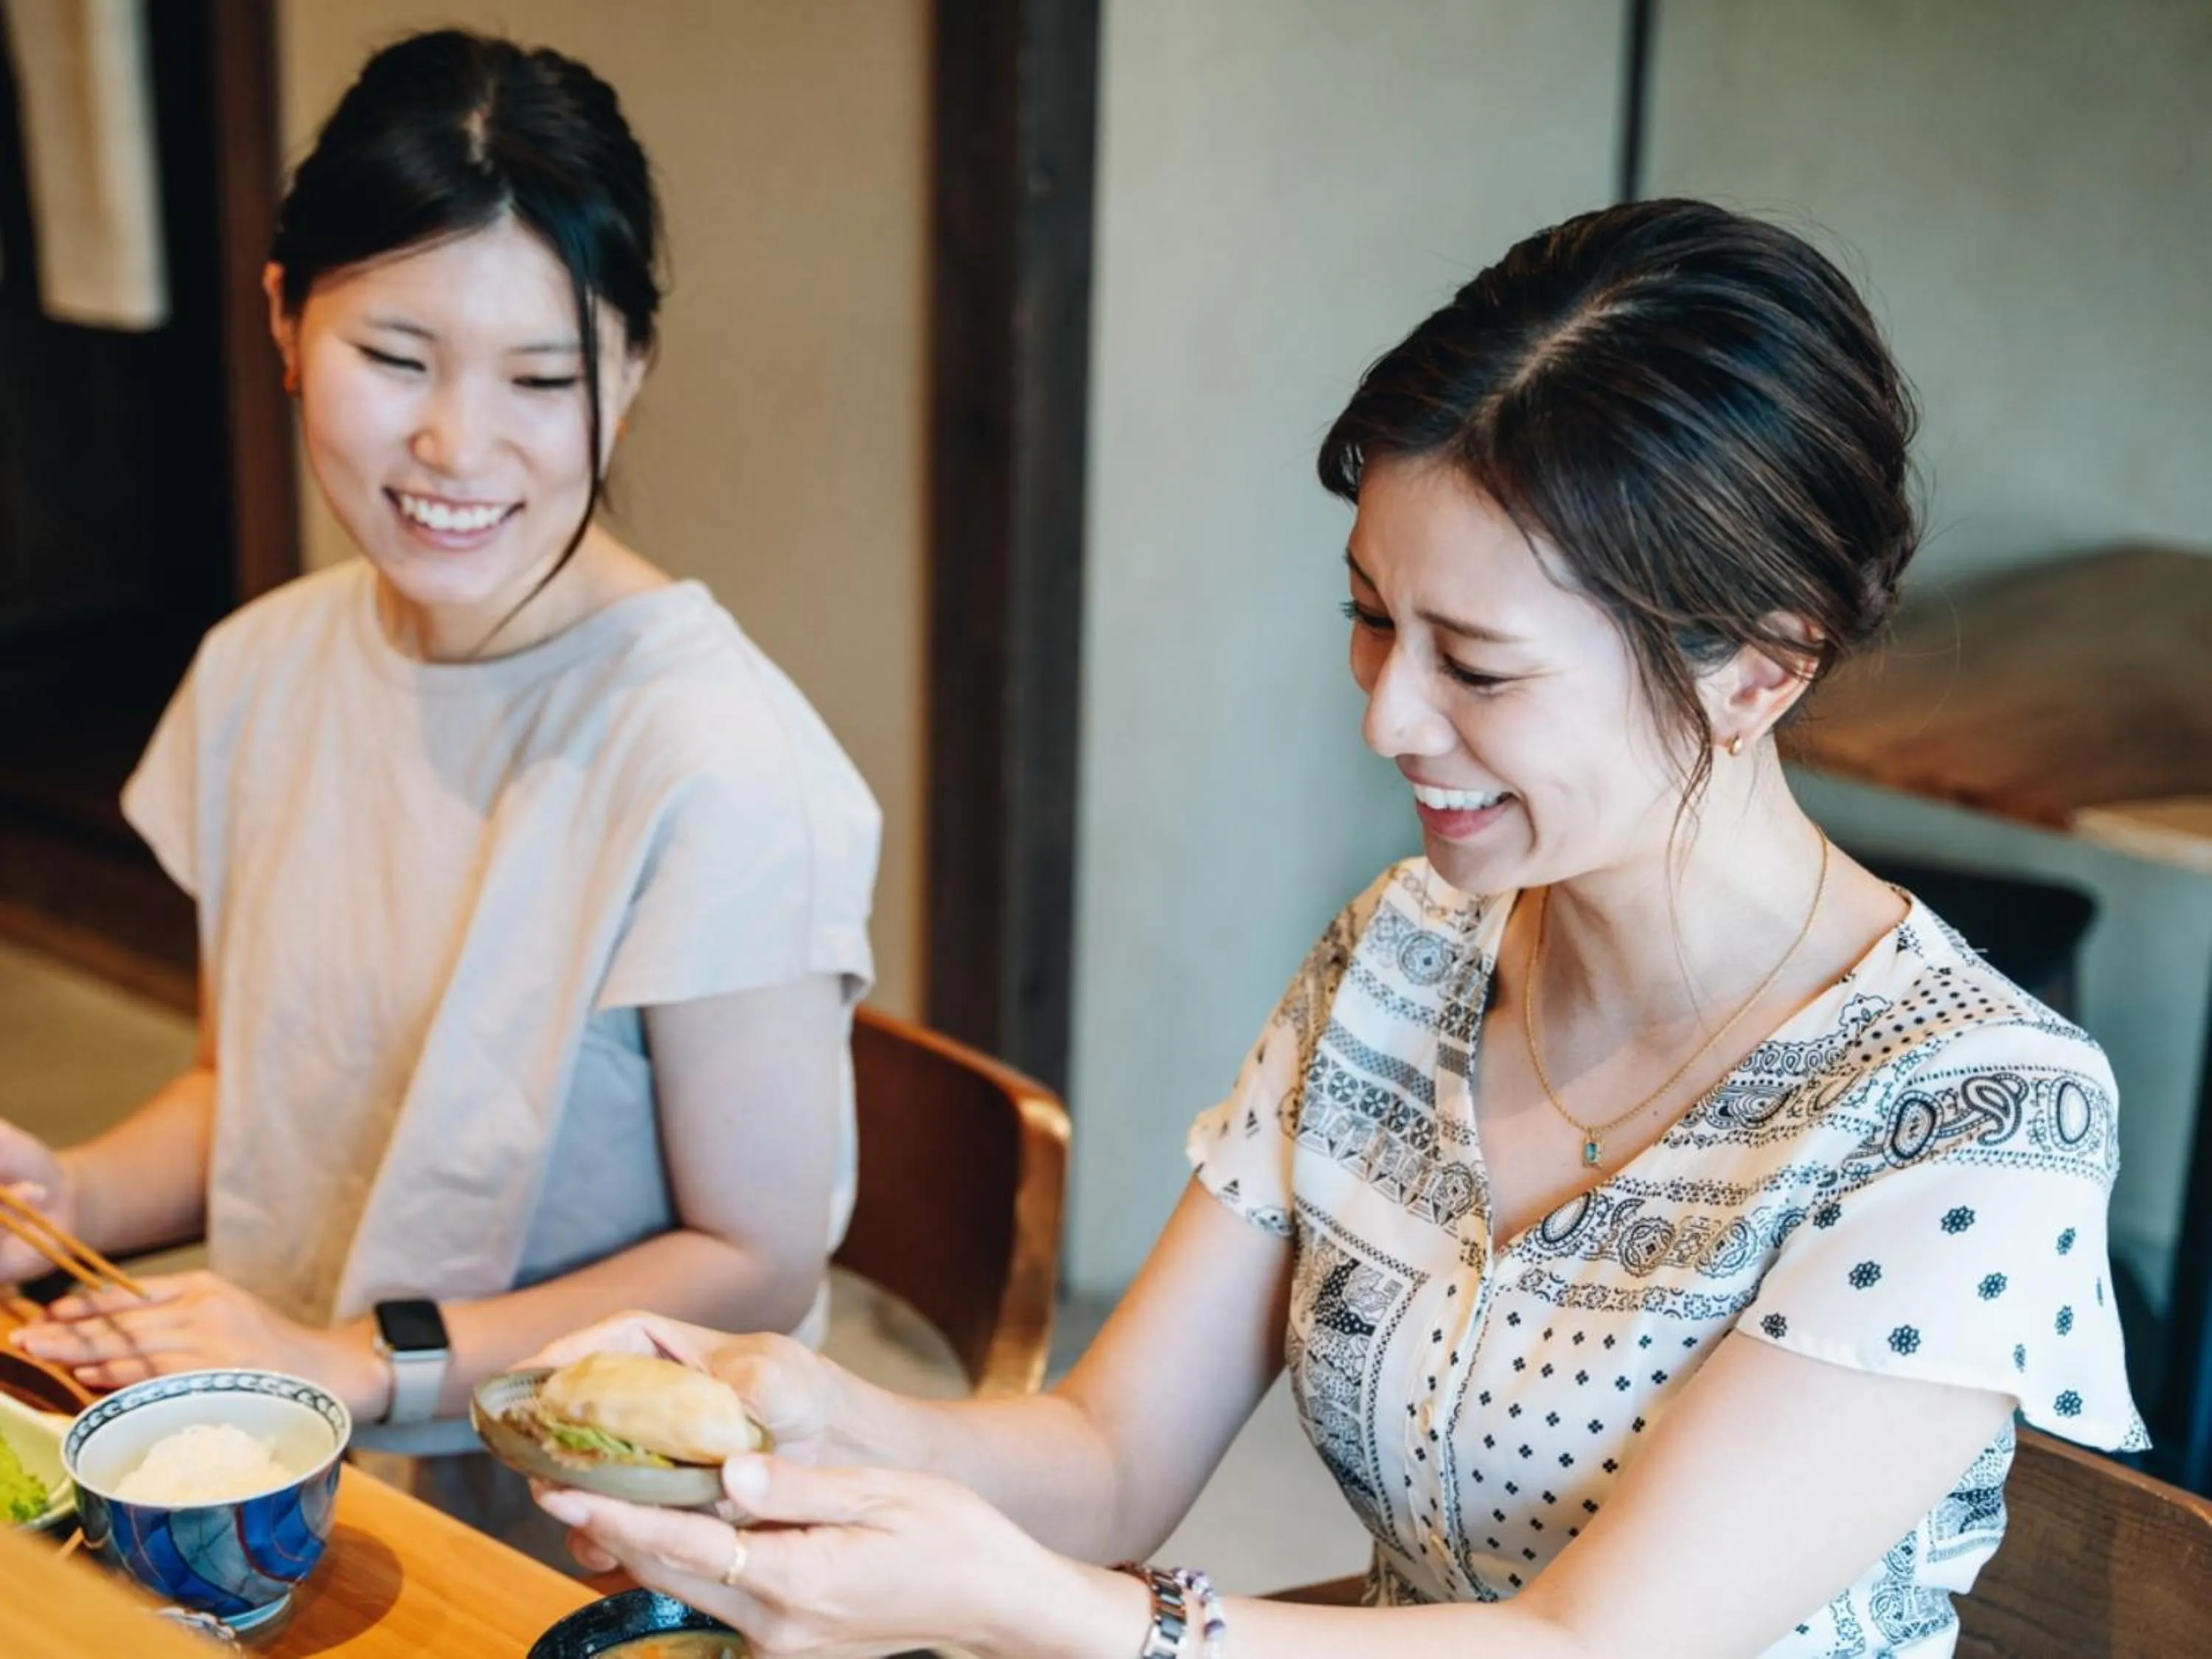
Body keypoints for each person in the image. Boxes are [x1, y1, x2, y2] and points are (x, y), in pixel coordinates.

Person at [527, 201, 2144, 1658]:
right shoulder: (1411, 952)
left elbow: (1585, 1649)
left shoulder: (1972, 1120)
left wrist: (1046, 1616)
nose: (1390, 719)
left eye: (1480, 665)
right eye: (1372, 620)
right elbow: (1109, 1459)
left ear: (1760, 668)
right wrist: (819, 1420)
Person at [0, 28, 878, 1539]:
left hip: (593, 1526)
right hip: (282, 1466)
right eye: (395, 357)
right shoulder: (266, 668)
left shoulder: (720, 764)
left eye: (545, 377)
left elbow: (755, 1260)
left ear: (633, 371)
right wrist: (70, 1196)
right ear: (284, 320)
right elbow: (264, 1091)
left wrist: (351, 1365)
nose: (455, 445)